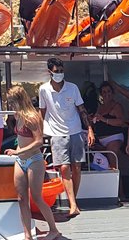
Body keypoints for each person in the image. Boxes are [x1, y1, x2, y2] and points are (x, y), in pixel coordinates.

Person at [37, 58, 95, 217]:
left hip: (75, 130)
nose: (59, 74)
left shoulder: (73, 88)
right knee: (64, 168)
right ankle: (73, 204)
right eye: (56, 71)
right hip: (56, 133)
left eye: (61, 71)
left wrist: (89, 129)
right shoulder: (43, 90)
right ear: (50, 72)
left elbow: (82, 109)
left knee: (76, 167)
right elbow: (41, 112)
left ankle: (73, 201)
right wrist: (38, 134)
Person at [5, 85, 61, 240]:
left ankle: (53, 229)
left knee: (36, 197)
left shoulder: (32, 117)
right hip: (20, 161)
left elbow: (38, 141)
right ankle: (27, 236)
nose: (9, 105)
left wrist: (18, 150)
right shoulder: (17, 116)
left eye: (11, 102)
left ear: (18, 101)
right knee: (21, 198)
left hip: (34, 160)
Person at [91, 81, 128, 156]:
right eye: (104, 92)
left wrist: (104, 119)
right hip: (100, 140)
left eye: (109, 91)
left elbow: (121, 122)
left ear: (113, 93)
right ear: (101, 94)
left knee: (111, 154)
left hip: (114, 138)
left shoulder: (117, 106)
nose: (106, 94)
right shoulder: (100, 107)